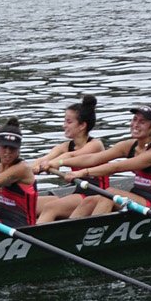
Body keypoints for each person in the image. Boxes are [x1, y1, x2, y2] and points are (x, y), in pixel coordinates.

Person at [64, 105, 151, 217]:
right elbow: (93, 158)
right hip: (137, 197)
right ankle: (71, 226)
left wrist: (82, 172)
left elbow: (116, 167)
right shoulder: (129, 145)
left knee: (110, 193)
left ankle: (94, 226)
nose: (135, 124)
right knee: (90, 200)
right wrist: (60, 162)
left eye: (142, 122)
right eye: (134, 119)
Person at [32, 95, 108, 224]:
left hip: (95, 195)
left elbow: (72, 156)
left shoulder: (95, 145)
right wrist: (34, 166)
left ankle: (36, 234)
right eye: (64, 121)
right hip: (78, 192)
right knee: (31, 205)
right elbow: (45, 158)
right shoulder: (65, 146)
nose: (64, 126)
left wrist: (53, 163)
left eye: (69, 122)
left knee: (51, 207)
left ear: (82, 125)